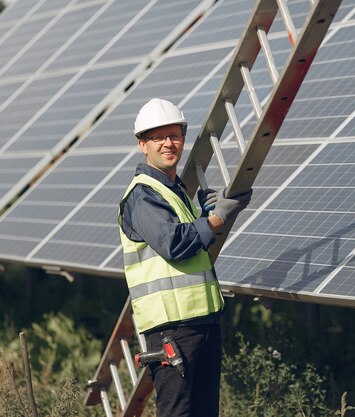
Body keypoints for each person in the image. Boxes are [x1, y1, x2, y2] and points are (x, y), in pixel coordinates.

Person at [118, 98, 252, 417]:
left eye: (175, 135)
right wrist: (217, 219)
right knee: (177, 412)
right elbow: (174, 244)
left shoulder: (176, 191)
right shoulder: (143, 194)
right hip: (171, 329)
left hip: (202, 322)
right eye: (158, 137)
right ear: (143, 144)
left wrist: (203, 215)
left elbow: (190, 244)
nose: (169, 143)